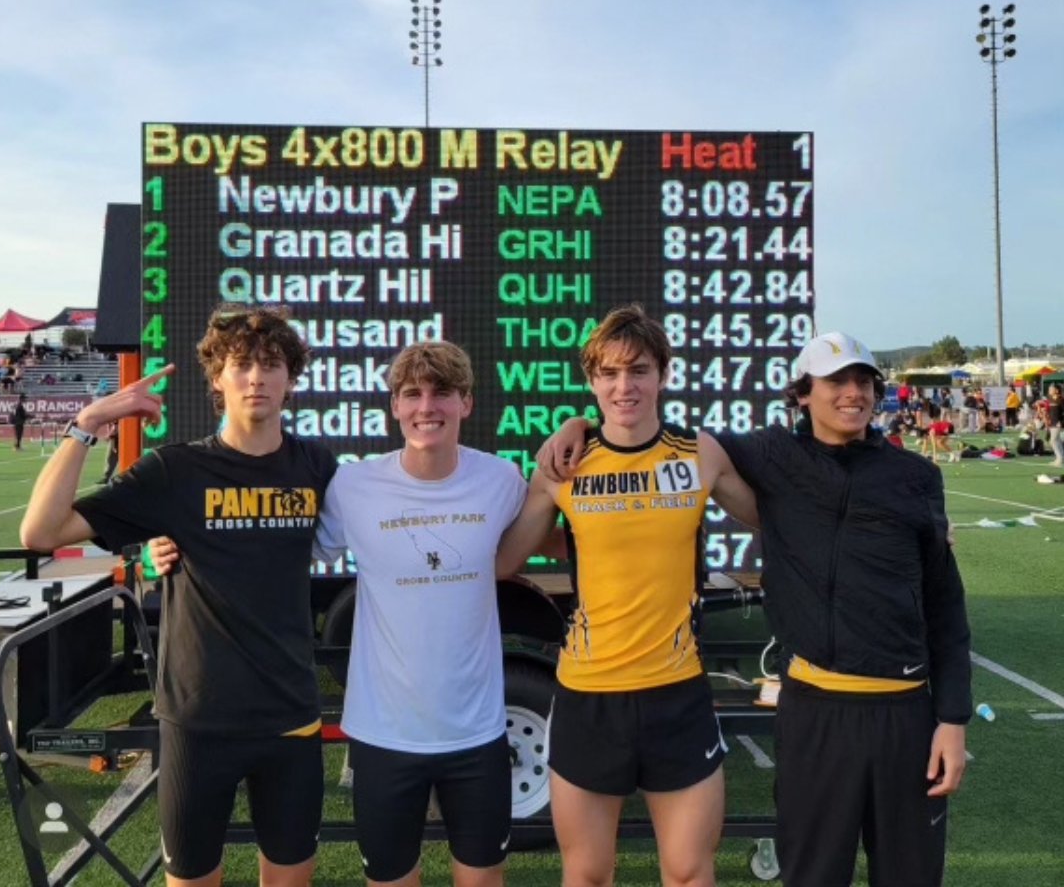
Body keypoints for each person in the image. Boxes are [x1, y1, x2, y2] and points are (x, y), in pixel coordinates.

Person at [542, 330, 971, 887]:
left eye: (863, 380)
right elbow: (639, 432)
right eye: (835, 381)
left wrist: (953, 719)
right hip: (812, 707)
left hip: (904, 711)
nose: (852, 393)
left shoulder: (916, 479)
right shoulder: (770, 454)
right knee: (812, 875)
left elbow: (946, 605)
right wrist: (575, 427)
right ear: (802, 394)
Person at [152, 340, 559, 887]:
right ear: (394, 406)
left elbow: (530, 545)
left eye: (442, 393)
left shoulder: (500, 480)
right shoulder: (355, 485)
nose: (426, 407)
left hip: (478, 733)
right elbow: (271, 542)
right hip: (384, 736)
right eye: (411, 394)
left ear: (466, 402)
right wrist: (177, 540)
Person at [20, 306, 338, 887]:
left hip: (289, 717)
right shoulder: (175, 471)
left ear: (292, 377)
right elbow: (40, 533)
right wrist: (87, 424)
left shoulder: (316, 465)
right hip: (198, 721)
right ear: (217, 378)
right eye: (241, 365)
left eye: (271, 364)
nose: (256, 378)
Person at [501, 304, 759, 887]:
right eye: (610, 373)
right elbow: (504, 559)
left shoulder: (700, 455)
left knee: (690, 873)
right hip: (589, 695)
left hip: (677, 694)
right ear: (592, 380)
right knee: (589, 875)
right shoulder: (564, 466)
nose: (625, 386)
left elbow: (776, 520)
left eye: (638, 370)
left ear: (663, 374)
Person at [1048, 384, 1064, 467]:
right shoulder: (1050, 398)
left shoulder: (1061, 399)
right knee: (1057, 440)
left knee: (1053, 440)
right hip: (1052, 423)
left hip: (1058, 423)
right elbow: (1050, 411)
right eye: (1049, 389)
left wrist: (1061, 421)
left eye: (1051, 389)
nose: (1050, 390)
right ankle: (1059, 458)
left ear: (1056, 390)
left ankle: (1060, 458)